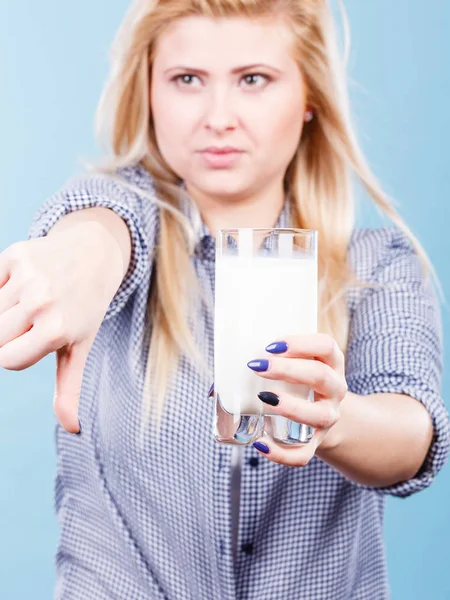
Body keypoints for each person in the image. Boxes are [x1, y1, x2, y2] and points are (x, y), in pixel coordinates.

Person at [1, 0, 448, 598]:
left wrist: (335, 418)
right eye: (187, 80)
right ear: (151, 93)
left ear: (308, 96)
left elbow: (414, 432)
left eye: (253, 79)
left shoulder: (378, 266)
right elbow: (101, 226)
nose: (218, 117)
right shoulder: (115, 217)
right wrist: (79, 257)